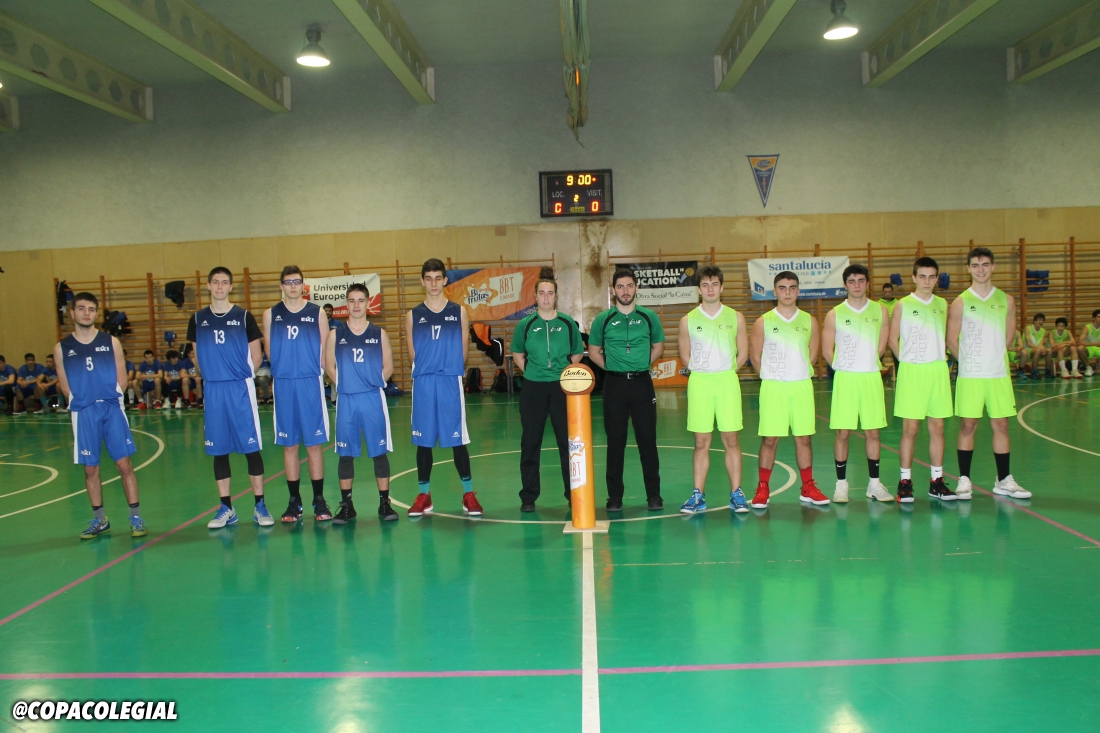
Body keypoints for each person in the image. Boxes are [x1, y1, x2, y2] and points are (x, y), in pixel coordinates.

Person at [52, 292, 146, 539]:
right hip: (84, 412)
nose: (86, 313)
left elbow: (122, 379)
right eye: (81, 308)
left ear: (96, 313)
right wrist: (83, 401)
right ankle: (100, 520)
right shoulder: (62, 349)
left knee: (124, 464)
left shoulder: (111, 342)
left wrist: (109, 397)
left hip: (111, 408)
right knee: (90, 469)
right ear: (72, 313)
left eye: (91, 309)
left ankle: (136, 518)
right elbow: (65, 387)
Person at [189, 267, 273, 529]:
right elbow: (197, 356)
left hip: (239, 389)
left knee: (251, 448)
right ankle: (226, 507)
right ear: (208, 285)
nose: (219, 287)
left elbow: (257, 356)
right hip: (214, 389)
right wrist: (213, 375)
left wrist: (239, 376)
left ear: (230, 286)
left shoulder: (243, 316)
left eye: (224, 282)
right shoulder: (197, 319)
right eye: (215, 282)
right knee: (219, 450)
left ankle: (260, 505)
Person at [947, 247, 1031, 500]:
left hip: (998, 374)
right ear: (968, 269)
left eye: (985, 264)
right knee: (968, 425)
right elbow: (951, 340)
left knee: (1001, 425)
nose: (980, 269)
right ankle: (964, 480)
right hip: (971, 376)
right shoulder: (961, 302)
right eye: (975, 265)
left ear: (993, 267)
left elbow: (1008, 337)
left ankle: (1003, 479)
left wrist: (992, 359)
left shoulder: (1007, 300)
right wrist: (969, 362)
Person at [405, 258, 482, 517]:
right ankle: (424, 496)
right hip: (424, 382)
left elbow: (463, 350)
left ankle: (469, 494)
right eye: (429, 278)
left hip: (450, 380)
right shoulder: (412, 315)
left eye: (438, 278)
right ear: (422, 281)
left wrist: (447, 368)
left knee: (458, 439)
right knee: (423, 440)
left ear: (445, 280)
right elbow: (413, 354)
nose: (434, 283)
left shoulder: (459, 312)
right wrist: (430, 367)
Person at [588, 268, 665, 512]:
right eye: (620, 287)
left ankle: (654, 495)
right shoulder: (603, 319)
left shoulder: (649, 317)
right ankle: (614, 497)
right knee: (615, 442)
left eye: (629, 286)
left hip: (642, 385)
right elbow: (593, 352)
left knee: (647, 441)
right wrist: (613, 367)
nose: (625, 291)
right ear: (613, 290)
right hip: (615, 386)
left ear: (636, 288)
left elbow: (658, 346)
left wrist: (641, 364)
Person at [677, 265, 750, 514]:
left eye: (714, 284)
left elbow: (743, 354)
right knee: (701, 442)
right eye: (705, 285)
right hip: (700, 382)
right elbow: (685, 356)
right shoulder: (687, 320)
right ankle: (698, 495)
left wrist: (724, 371)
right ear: (699, 289)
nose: (710, 289)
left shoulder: (736, 317)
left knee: (731, 440)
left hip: (727, 381)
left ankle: (736, 493)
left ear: (722, 287)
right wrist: (704, 371)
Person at [749, 271, 825, 508]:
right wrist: (773, 376)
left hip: (801, 386)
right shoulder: (763, 322)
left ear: (798, 291)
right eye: (783, 288)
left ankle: (808, 486)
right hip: (774, 387)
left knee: (804, 438)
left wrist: (796, 372)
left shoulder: (810, 321)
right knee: (770, 439)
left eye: (792, 287)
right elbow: (755, 356)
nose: (788, 292)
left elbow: (812, 355)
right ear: (775, 292)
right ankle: (763, 487)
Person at [324, 283, 398, 523]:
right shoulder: (336, 335)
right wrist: (345, 384)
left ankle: (384, 504)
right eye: (352, 300)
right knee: (345, 454)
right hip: (347, 399)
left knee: (379, 452)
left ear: (368, 304)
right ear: (347, 304)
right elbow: (328, 366)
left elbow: (389, 367)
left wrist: (372, 383)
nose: (356, 305)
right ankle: (347, 506)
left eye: (361, 300)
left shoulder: (379, 334)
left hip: (372, 398)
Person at [511, 269, 584, 512]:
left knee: (567, 443)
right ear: (535, 296)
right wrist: (533, 372)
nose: (545, 297)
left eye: (550, 293)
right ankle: (528, 496)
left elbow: (577, 353)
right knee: (530, 442)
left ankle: (573, 493)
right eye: (541, 293)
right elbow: (517, 354)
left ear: (556, 297)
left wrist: (564, 374)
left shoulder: (567, 323)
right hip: (533, 388)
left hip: (562, 389)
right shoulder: (525, 325)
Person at [263, 265, 332, 523]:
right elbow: (270, 351)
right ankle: (294, 501)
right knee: (290, 445)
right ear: (281, 285)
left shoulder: (317, 313)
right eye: (288, 282)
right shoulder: (271, 314)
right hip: (284, 384)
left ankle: (319, 499)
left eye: (297, 281)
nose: (293, 286)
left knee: (314, 444)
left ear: (303, 285)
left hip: (309, 383)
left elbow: (326, 350)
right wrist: (285, 369)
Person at [823, 264, 894, 504]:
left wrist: (866, 364)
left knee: (873, 432)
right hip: (846, 379)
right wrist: (844, 368)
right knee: (843, 433)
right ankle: (841, 485)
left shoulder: (880, 311)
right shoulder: (834, 314)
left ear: (868, 283)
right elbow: (827, 350)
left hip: (870, 377)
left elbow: (882, 346)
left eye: (861, 280)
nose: (857, 285)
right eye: (852, 281)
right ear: (845, 285)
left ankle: (874, 484)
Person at [889, 257, 954, 503]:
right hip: (912, 372)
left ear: (937, 279)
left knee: (938, 428)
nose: (927, 281)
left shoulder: (943, 304)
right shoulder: (903, 305)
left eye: (932, 277)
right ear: (914, 278)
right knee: (911, 429)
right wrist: (905, 360)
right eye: (922, 276)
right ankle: (905, 483)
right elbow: (892, 338)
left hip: (937, 370)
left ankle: (936, 482)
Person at [1022, 313, 1049, 379]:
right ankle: (1034, 371)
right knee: (1038, 350)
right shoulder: (1028, 328)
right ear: (1034, 321)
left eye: (1042, 320)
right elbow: (1028, 343)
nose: (1041, 322)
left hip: (1037, 349)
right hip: (1026, 350)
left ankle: (1048, 370)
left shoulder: (1043, 331)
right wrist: (1040, 348)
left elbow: (1041, 343)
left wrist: (1043, 348)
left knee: (1049, 350)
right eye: (1039, 320)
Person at [1080, 309, 1100, 376]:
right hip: (1089, 348)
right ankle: (1088, 367)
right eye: (1099, 317)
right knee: (1080, 348)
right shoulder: (1087, 327)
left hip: (1098, 349)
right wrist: (1094, 344)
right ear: (1093, 318)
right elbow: (1080, 342)